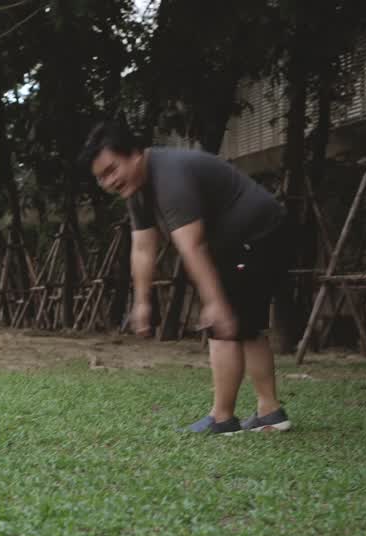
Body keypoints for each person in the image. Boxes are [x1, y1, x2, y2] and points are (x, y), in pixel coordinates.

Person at [79, 120, 294, 434]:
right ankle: (270, 412)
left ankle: (222, 419)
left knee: (225, 326)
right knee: (246, 327)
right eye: (101, 177)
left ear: (135, 154)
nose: (108, 182)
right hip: (246, 240)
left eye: (112, 170)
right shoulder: (137, 190)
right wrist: (141, 302)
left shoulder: (169, 176)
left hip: (259, 234)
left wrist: (214, 302)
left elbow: (190, 245)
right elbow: (142, 246)